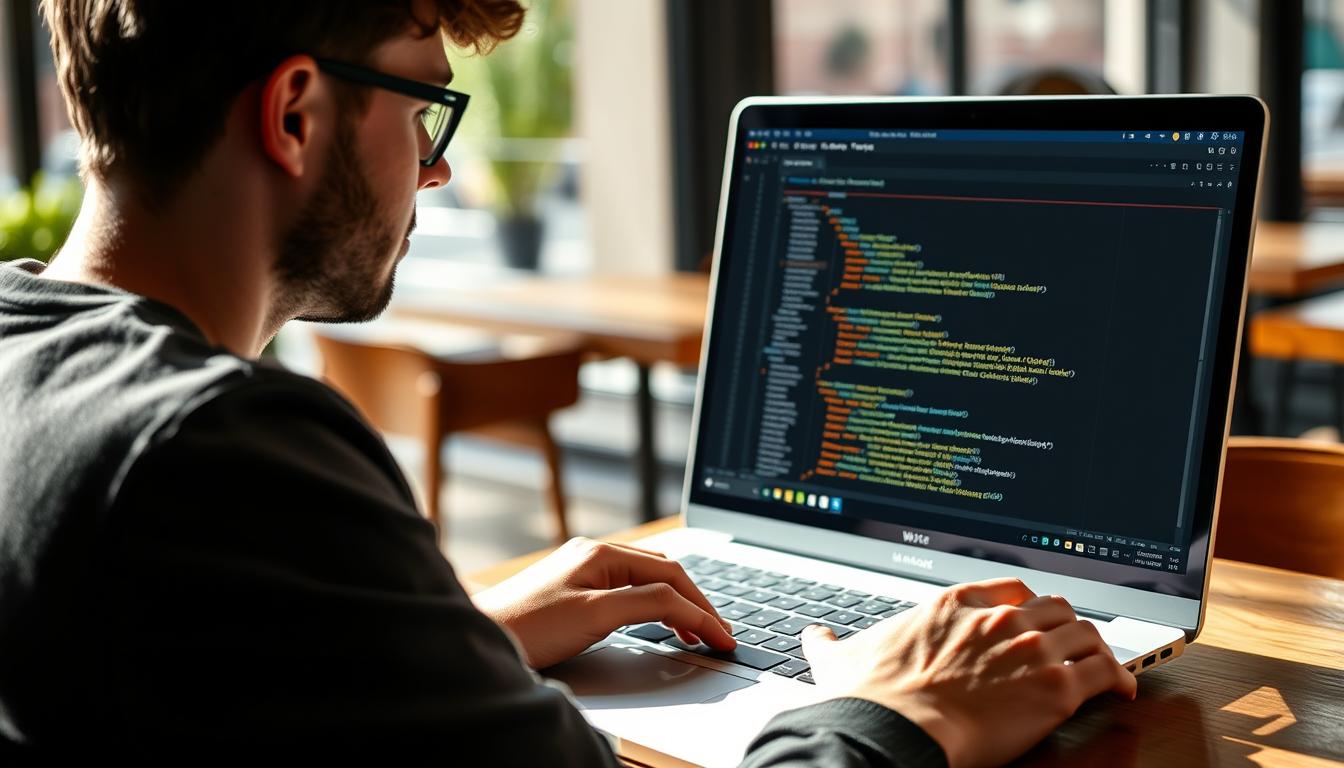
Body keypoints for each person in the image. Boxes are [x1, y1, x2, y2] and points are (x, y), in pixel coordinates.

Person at [0, 0, 1137, 763]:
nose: (437, 166)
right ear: (296, 112)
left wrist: (436, 640)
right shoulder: (218, 455)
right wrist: (902, 708)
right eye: (424, 107)